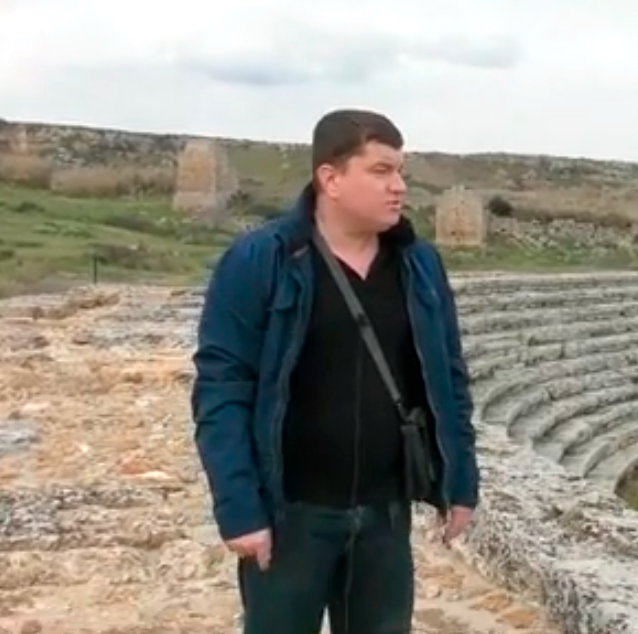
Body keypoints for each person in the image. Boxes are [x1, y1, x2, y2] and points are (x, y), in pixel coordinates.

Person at [190, 108, 479, 634]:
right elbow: (223, 387)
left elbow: (449, 379)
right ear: (330, 178)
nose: (398, 187)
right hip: (290, 516)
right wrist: (240, 509)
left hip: (385, 518)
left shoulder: (420, 264)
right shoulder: (262, 260)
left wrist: (460, 481)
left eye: (401, 173)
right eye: (381, 171)